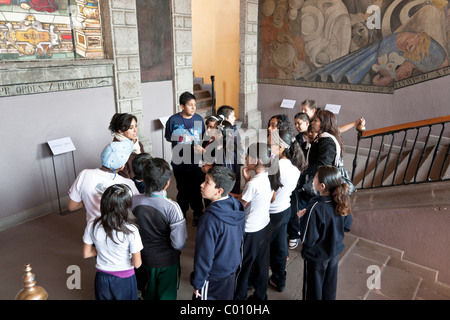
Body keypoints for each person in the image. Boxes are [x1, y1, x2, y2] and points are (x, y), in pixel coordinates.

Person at [131, 157, 188, 300]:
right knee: (166, 295)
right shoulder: (172, 208)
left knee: (148, 292)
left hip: (143, 257)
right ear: (168, 183)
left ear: (143, 179)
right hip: (167, 262)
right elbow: (179, 243)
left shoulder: (133, 201)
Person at [297, 165, 353, 300]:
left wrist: (302, 219)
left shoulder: (315, 207)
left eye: (315, 177)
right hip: (334, 252)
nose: (312, 179)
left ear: (322, 186)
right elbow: (347, 226)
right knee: (329, 285)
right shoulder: (341, 201)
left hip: (317, 257)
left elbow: (308, 238)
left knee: (313, 289)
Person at [190, 166, 245, 300]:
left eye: (207, 182)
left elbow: (204, 255)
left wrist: (198, 282)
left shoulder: (209, 219)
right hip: (231, 269)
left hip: (213, 276)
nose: (202, 184)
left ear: (219, 191)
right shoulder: (236, 206)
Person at [235, 142, 280, 300]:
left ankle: (238, 296)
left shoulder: (253, 184)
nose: (246, 158)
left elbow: (240, 207)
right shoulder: (270, 176)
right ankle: (261, 296)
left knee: (243, 266)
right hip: (265, 226)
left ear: (255, 159)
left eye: (247, 155)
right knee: (261, 264)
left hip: (250, 230)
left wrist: (246, 182)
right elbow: (272, 199)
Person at [82, 183, 143, 300]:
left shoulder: (92, 224)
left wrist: (101, 249)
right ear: (127, 206)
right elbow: (137, 263)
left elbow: (86, 253)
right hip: (125, 279)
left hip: (102, 277)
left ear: (103, 203)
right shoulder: (131, 230)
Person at [268, 129, 306, 292]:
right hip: (285, 210)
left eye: (271, 141)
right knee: (280, 245)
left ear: (281, 147)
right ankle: (279, 279)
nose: (269, 143)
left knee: (262, 247)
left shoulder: (276, 166)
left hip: (270, 212)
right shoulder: (295, 166)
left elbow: (270, 196)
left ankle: (253, 281)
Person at [68, 140, 140, 224]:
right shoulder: (128, 184)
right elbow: (136, 208)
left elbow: (72, 207)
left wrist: (89, 199)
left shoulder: (84, 174)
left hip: (93, 229)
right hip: (121, 230)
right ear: (122, 167)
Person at [164, 91, 206, 226]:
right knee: (182, 190)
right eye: (190, 105)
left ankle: (197, 213)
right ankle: (181, 212)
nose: (193, 108)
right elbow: (169, 137)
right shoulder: (173, 120)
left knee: (196, 190)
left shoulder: (199, 119)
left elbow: (203, 137)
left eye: (195, 104)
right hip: (179, 163)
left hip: (196, 163)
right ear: (182, 106)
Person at [216, 105, 243, 196]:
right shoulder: (219, 135)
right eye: (232, 116)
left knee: (234, 184)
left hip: (234, 165)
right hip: (228, 166)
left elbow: (239, 146)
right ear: (225, 119)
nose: (235, 118)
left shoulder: (234, 131)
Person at [109, 113, 145, 179]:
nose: (135, 130)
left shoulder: (137, 143)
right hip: (133, 186)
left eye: (135, 126)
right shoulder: (116, 151)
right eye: (131, 128)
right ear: (120, 131)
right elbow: (125, 179)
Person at [300, 99, 365, 133]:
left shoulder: (322, 118)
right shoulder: (304, 119)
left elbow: (337, 130)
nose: (302, 112)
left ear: (313, 110)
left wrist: (356, 123)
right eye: (302, 109)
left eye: (305, 110)